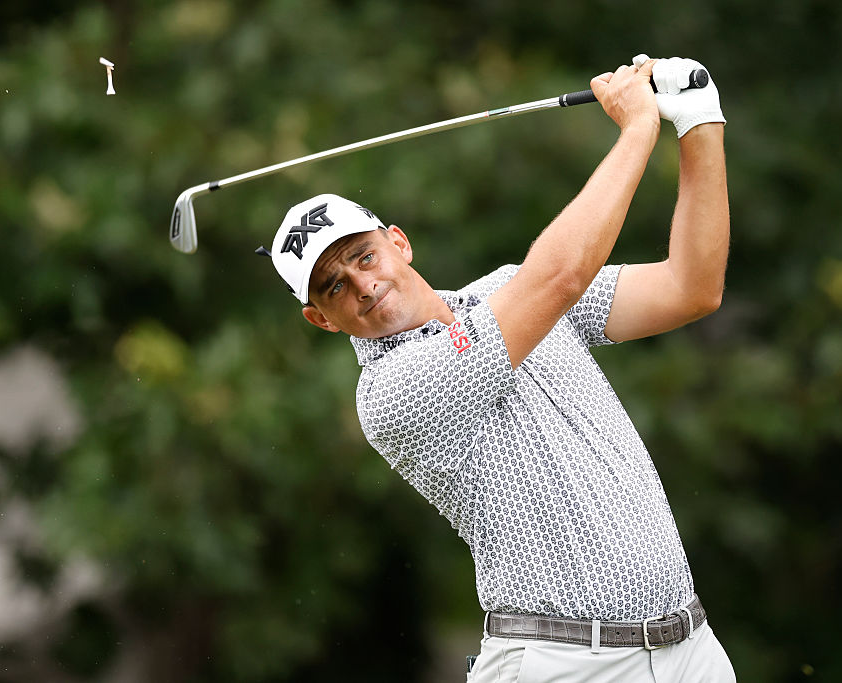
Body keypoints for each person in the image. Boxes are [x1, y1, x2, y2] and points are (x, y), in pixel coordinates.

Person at [261, 55, 734, 682]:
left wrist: (699, 121)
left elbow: (690, 288)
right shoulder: (391, 392)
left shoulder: (508, 291)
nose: (363, 286)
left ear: (398, 242)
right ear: (321, 319)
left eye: (363, 257)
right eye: (334, 286)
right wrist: (639, 127)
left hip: (690, 648)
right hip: (561, 664)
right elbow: (559, 278)